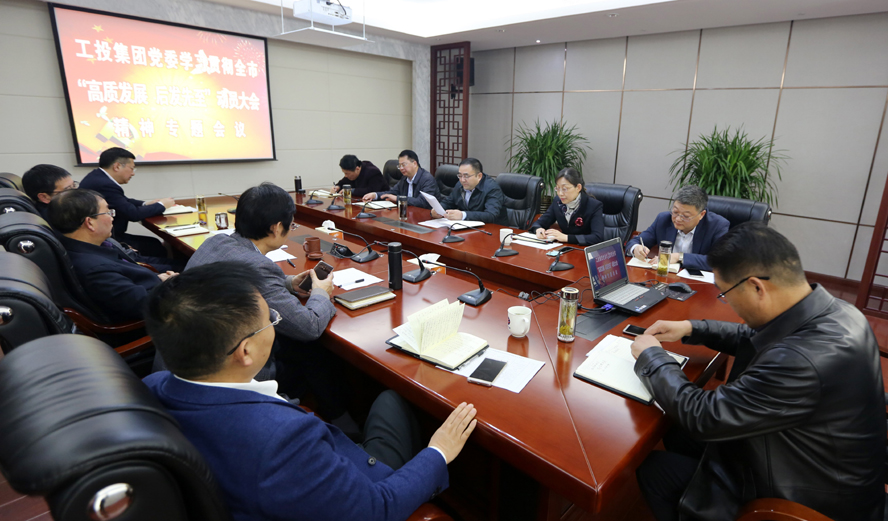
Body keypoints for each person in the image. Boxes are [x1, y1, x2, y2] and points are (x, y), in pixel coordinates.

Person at [143, 262, 478, 521]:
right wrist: (439, 451)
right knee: (398, 401)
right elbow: (376, 509)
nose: (275, 322)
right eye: (271, 320)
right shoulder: (283, 441)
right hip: (367, 490)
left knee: (389, 399)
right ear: (245, 352)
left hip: (311, 476)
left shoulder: (154, 385)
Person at [629, 222, 885, 521]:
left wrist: (652, 357)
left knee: (655, 470)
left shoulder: (800, 361)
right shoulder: (838, 311)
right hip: (813, 456)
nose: (728, 303)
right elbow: (754, 337)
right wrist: (691, 328)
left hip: (805, 496)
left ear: (756, 287)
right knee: (675, 429)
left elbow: (704, 416)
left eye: (725, 293)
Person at [185, 183, 353, 429]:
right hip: (230, 376)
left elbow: (242, 281)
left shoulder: (215, 242)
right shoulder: (258, 266)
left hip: (190, 357)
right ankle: (342, 423)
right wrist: (320, 293)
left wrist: (288, 283)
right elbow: (309, 326)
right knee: (313, 349)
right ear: (276, 228)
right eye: (291, 225)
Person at [47, 189, 177, 322]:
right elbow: (145, 305)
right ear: (90, 222)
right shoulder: (95, 269)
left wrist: (158, 279)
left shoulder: (80, 247)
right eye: (107, 212)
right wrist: (171, 285)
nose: (112, 217)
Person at [79, 147, 176, 258]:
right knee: (154, 246)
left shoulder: (98, 177)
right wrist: (162, 205)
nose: (133, 173)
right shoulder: (104, 184)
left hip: (104, 236)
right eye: (132, 168)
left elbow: (123, 200)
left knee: (154, 243)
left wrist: (145, 204)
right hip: (108, 240)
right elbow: (133, 214)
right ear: (117, 166)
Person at [624, 185, 729, 272]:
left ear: (701, 214)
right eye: (675, 212)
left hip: (697, 283)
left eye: (686, 216)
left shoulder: (718, 225)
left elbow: (719, 261)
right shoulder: (663, 219)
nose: (678, 219)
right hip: (664, 277)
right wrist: (636, 248)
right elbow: (635, 241)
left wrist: (678, 257)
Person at [529, 167, 604, 246]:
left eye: (565, 189)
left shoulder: (593, 206)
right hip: (564, 248)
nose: (560, 193)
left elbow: (597, 238)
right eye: (558, 188)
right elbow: (540, 223)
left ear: (578, 187)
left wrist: (566, 238)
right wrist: (538, 229)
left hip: (583, 250)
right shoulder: (558, 202)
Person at [432, 157, 507, 225]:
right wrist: (438, 210)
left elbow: (491, 215)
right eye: (460, 176)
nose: (462, 180)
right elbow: (449, 201)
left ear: (479, 176)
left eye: (466, 176)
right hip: (467, 227)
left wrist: (463, 215)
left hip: (493, 229)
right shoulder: (460, 184)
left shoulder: (492, 188)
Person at [362, 149, 438, 209]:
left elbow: (422, 202)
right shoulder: (404, 178)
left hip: (426, 216)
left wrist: (397, 198)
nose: (401, 168)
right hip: (407, 213)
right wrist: (375, 195)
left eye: (404, 165)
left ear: (414, 163)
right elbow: (392, 192)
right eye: (399, 166)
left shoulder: (427, 179)